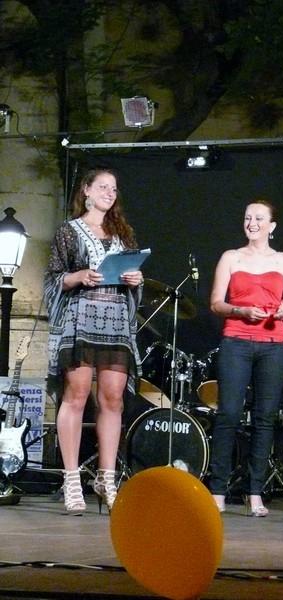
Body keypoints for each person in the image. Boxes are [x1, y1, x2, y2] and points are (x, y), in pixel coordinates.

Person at [44, 167, 145, 515]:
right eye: (102, 186)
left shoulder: (123, 235)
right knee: (76, 395)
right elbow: (54, 278)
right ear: (86, 190)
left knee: (113, 399)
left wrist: (135, 280)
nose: (109, 193)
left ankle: (106, 478)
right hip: (80, 319)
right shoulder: (68, 232)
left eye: (113, 188)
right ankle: (72, 478)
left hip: (115, 321)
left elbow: (133, 273)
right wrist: (79, 276)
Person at [208, 201, 283, 516]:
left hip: (273, 345)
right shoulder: (231, 257)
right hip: (236, 341)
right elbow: (216, 303)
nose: (252, 223)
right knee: (229, 414)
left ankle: (255, 492)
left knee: (265, 418)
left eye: (259, 218)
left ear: (272, 226)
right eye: (248, 217)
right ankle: (218, 490)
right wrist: (240, 310)